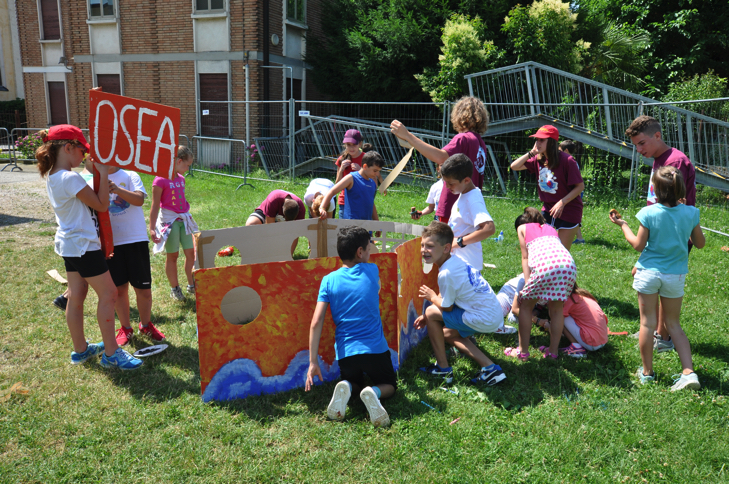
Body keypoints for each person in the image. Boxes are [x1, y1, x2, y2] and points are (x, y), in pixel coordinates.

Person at [37, 124, 142, 370]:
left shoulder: (54, 176)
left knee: (76, 295)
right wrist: (103, 172)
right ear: (68, 148)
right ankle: (111, 354)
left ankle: (80, 350)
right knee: (110, 294)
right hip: (84, 245)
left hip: (70, 244)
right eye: (82, 150)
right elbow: (102, 205)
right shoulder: (70, 177)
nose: (85, 156)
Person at [610, 166, 704, 391]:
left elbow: (638, 245)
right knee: (674, 325)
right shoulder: (691, 212)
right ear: (680, 188)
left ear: (655, 190)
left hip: (648, 274)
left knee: (647, 323)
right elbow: (700, 243)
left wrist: (624, 225)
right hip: (675, 276)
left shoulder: (648, 212)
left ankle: (647, 373)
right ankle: (688, 372)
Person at [305, 226, 396, 427]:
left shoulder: (328, 280)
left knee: (354, 384)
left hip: (347, 354)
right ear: (360, 252)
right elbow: (376, 283)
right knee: (390, 385)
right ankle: (374, 392)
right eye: (368, 249)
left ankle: (346, 385)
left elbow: (316, 322)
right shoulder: (372, 270)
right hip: (375, 350)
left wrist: (313, 362)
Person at [625, 115, 697, 352]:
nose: (639, 149)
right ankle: (653, 330)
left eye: (642, 143)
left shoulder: (675, 162)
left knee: (664, 284)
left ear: (657, 136)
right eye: (636, 145)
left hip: (670, 236)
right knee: (650, 278)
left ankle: (662, 337)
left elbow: (674, 207)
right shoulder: (660, 158)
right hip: (658, 233)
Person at [415, 221, 506, 386]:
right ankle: (490, 368)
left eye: (430, 246)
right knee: (448, 334)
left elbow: (447, 306)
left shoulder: (446, 273)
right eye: (422, 245)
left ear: (446, 248)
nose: (424, 250)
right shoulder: (455, 261)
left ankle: (442, 369)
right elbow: (447, 294)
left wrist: (432, 297)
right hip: (493, 314)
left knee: (431, 313)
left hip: (482, 317)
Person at [391, 96, 489, 223]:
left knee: (441, 236)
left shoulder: (463, 138)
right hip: (469, 209)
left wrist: (407, 136)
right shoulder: (481, 143)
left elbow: (441, 157)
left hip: (453, 209)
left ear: (459, 115)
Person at [505, 207, 576, 360]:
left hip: (545, 266)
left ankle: (522, 351)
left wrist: (527, 282)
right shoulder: (551, 228)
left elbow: (525, 257)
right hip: (568, 265)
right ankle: (553, 352)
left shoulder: (522, 228)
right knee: (556, 310)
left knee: (525, 306)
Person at [103, 166, 163, 345]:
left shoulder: (130, 175)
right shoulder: (96, 178)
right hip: (112, 241)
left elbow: (139, 199)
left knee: (143, 289)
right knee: (119, 289)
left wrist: (116, 189)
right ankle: (125, 328)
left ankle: (145, 325)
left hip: (135, 239)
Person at [510, 125, 584, 251]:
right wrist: (532, 153)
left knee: (560, 252)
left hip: (569, 210)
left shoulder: (567, 160)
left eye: (541, 140)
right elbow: (514, 166)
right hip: (548, 209)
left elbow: (580, 186)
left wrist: (562, 202)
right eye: (537, 140)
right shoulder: (538, 159)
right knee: (543, 248)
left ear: (551, 142)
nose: (537, 143)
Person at [149, 146, 199, 302]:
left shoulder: (181, 179)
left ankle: (192, 285)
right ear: (178, 161)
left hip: (183, 221)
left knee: (191, 253)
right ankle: (175, 288)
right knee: (173, 256)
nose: (188, 168)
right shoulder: (159, 180)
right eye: (187, 165)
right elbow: (155, 206)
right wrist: (152, 228)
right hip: (170, 222)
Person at [442, 153, 495, 269]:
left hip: (467, 265)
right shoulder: (465, 194)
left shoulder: (473, 200)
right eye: (446, 182)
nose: (447, 187)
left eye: (451, 183)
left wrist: (459, 242)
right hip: (460, 262)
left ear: (466, 180)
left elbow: (489, 228)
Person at [533, 284, 608, 358]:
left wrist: (550, 327)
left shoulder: (565, 300)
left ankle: (576, 347)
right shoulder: (582, 295)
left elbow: (556, 322)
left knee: (558, 316)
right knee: (562, 316)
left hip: (592, 342)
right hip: (603, 339)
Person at [319, 151, 383, 221]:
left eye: (378, 171)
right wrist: (322, 208)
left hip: (366, 224)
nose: (377, 174)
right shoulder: (351, 178)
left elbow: (371, 203)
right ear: (365, 166)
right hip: (350, 224)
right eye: (375, 171)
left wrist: (377, 222)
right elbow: (332, 191)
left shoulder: (372, 183)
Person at [559, 140, 586, 244]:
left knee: (571, 216)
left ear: (566, 150)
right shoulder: (569, 161)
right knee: (570, 216)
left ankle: (578, 238)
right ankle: (579, 237)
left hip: (573, 193)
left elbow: (576, 183)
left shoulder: (570, 162)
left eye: (560, 150)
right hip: (571, 193)